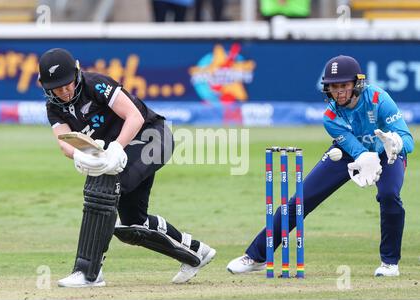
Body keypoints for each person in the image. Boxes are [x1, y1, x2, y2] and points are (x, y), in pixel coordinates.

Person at [38, 48, 216, 287]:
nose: (65, 92)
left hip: (152, 137)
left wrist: (116, 148)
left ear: (77, 72)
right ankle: (196, 252)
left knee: (104, 184)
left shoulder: (97, 85)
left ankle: (88, 272)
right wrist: (82, 157)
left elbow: (134, 117)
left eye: (68, 84)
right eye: (58, 89)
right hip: (122, 151)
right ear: (44, 85)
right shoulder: (54, 108)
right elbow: (65, 142)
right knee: (134, 224)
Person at [227, 55, 414, 277]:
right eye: (334, 86)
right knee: (301, 200)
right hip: (348, 152)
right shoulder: (330, 117)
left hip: (388, 152)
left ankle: (389, 263)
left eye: (344, 85)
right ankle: (256, 256)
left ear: (357, 83)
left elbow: (408, 141)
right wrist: (364, 157)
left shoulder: (379, 99)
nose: (339, 92)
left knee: (389, 195)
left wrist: (395, 142)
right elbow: (356, 151)